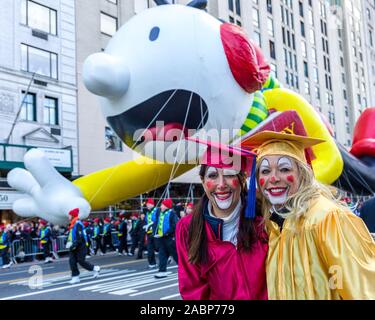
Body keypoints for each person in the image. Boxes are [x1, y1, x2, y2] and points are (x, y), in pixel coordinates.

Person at [243, 130, 375, 299]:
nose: (273, 178)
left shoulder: (328, 219)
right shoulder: (274, 225)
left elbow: (363, 291)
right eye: (266, 171)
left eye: (284, 169)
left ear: (302, 174)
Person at [176, 139, 268, 299]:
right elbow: (193, 291)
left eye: (229, 174)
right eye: (212, 175)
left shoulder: (264, 221)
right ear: (203, 182)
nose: (221, 184)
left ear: (242, 179)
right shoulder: (187, 228)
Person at [66, 208, 100, 284]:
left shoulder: (78, 224)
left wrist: (74, 245)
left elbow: (80, 237)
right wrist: (68, 242)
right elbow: (71, 236)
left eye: (69, 215)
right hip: (74, 246)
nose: (68, 217)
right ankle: (75, 277)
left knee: (81, 261)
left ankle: (95, 268)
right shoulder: (72, 224)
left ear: (72, 215)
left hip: (81, 246)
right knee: (72, 261)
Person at [154, 198, 179, 279]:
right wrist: (155, 233)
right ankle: (162, 271)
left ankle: (185, 270)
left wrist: (167, 233)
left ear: (166, 206)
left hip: (169, 238)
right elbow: (157, 224)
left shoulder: (172, 214)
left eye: (162, 204)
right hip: (161, 238)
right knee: (162, 255)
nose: (160, 206)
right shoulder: (160, 213)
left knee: (176, 255)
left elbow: (174, 225)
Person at [144, 198, 158, 268]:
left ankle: (167, 257)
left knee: (158, 247)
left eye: (148, 204)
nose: (147, 205)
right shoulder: (147, 212)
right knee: (150, 248)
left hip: (156, 232)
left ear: (152, 204)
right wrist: (146, 226)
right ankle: (152, 263)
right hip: (149, 232)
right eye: (147, 204)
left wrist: (151, 224)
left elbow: (157, 220)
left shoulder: (156, 211)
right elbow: (146, 221)